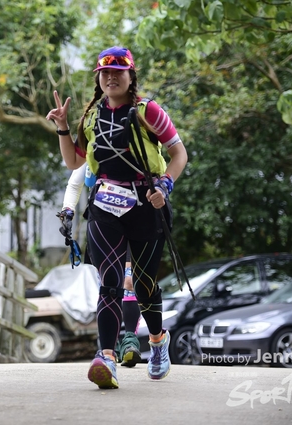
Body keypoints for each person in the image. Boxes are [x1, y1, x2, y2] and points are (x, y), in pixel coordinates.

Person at [46, 46, 188, 388]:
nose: (111, 77)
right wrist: (63, 128)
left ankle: (157, 342)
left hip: (146, 205)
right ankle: (107, 358)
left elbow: (179, 153)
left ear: (130, 76)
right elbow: (74, 162)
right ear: (98, 78)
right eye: (104, 72)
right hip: (105, 205)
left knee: (143, 285)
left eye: (118, 72)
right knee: (109, 282)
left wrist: (165, 185)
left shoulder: (148, 111)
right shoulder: (91, 116)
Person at [57, 163, 142, 368]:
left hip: (131, 218)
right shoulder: (93, 148)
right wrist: (67, 211)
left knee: (128, 281)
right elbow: (75, 183)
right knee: (108, 284)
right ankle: (108, 345)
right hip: (102, 220)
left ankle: (130, 340)